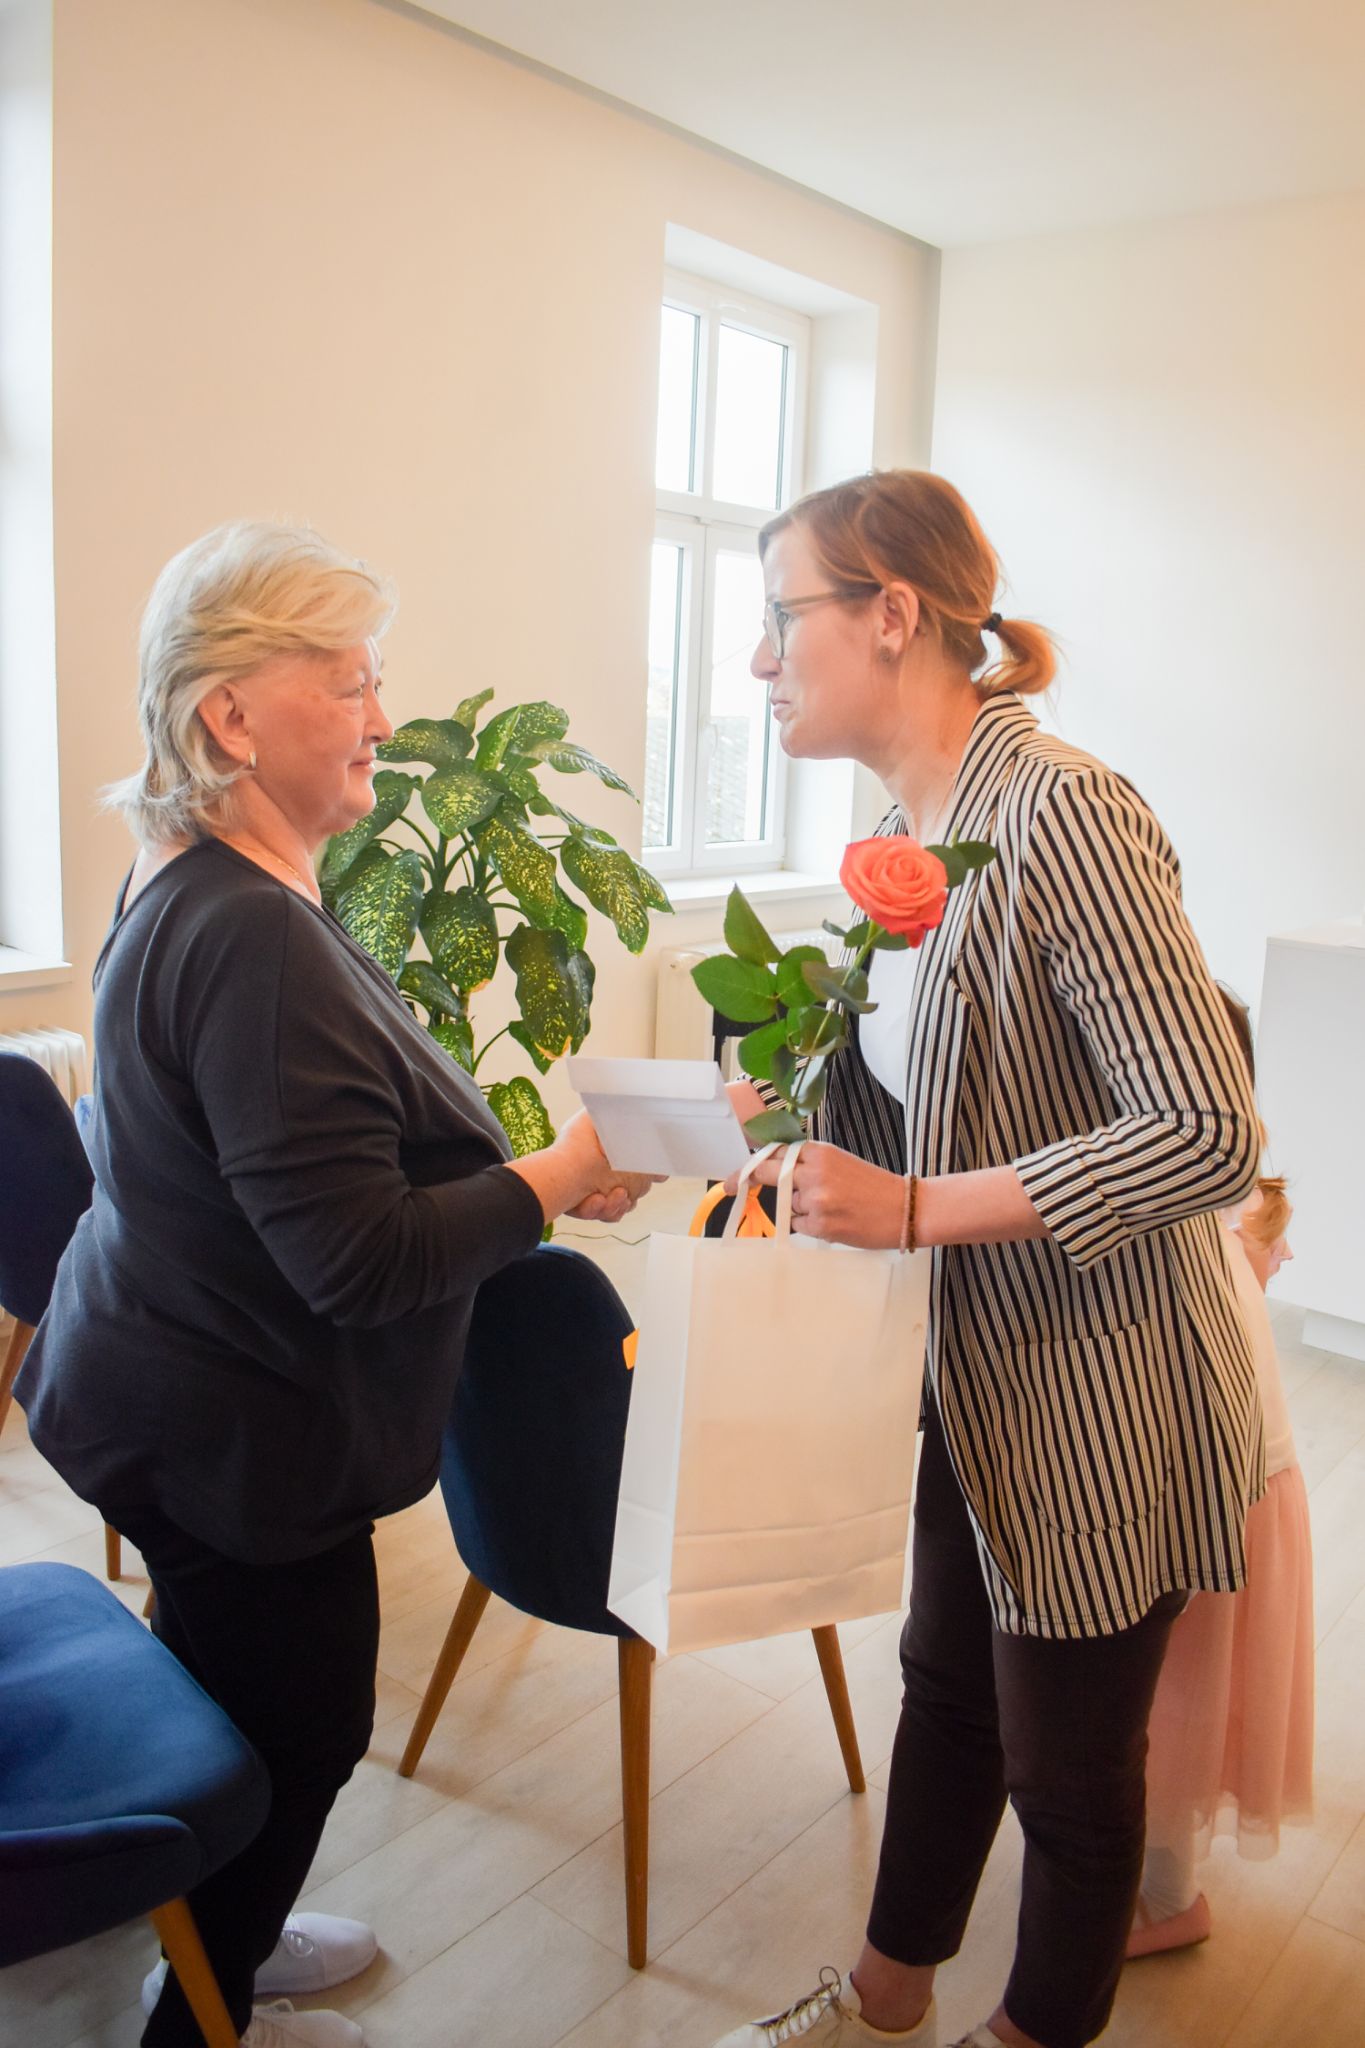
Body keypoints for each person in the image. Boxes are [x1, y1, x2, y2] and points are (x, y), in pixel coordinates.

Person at [16, 522, 654, 2048]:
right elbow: (359, 1260)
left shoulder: (190, 873)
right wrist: (561, 1170)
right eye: (351, 683)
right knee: (304, 1732)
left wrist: (527, 1176)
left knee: (223, 1684)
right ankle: (207, 2006)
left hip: (153, 1380)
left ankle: (210, 1919)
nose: (384, 716)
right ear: (230, 716)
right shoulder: (250, 937)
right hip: (234, 1434)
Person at [711, 471, 1263, 2048]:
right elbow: (933, 1097)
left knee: (1069, 1775)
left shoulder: (1062, 815)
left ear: (892, 615)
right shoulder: (903, 835)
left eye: (780, 616)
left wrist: (909, 1210)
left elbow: (1204, 1132)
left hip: (1101, 1390)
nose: (758, 659)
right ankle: (884, 1995)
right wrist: (781, 1108)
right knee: (945, 1687)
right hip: (968, 1369)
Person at [1128, 992, 1313, 1960]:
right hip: (1227, 1482)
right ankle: (1156, 1880)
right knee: (1173, 1703)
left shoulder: (1201, 1214)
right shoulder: (1234, 1203)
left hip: (1218, 1494)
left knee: (1175, 1705)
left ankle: (1169, 1898)